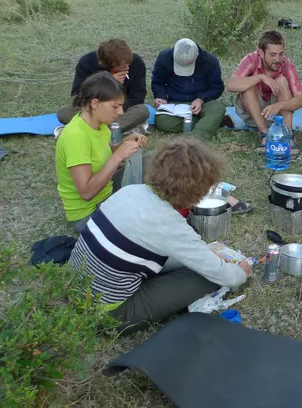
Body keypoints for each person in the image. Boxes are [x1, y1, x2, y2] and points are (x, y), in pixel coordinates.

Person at [68, 138, 251, 334]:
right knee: (207, 277)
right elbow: (225, 277)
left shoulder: (129, 192)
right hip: (108, 316)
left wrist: (203, 256)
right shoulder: (171, 225)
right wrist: (240, 272)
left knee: (193, 264)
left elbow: (149, 250)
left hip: (72, 288)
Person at [55, 73, 147, 233]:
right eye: (115, 106)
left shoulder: (99, 123)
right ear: (95, 104)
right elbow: (86, 192)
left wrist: (126, 144)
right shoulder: (76, 137)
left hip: (107, 193)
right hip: (88, 213)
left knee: (153, 162)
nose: (121, 112)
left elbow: (105, 153)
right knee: (144, 223)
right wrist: (118, 156)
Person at [225, 30, 302, 156]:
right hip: (253, 116)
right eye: (273, 55)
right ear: (261, 53)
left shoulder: (286, 64)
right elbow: (230, 85)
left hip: (278, 115)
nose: (278, 59)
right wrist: (260, 77)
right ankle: (264, 134)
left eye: (280, 54)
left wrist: (280, 105)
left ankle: (287, 134)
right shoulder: (251, 59)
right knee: (247, 86)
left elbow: (301, 100)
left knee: (281, 81)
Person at [55, 39, 149, 137]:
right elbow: (78, 96)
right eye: (122, 66)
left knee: (142, 111)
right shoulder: (87, 62)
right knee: (64, 113)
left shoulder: (137, 63)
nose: (127, 68)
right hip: (93, 109)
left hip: (120, 110)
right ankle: (116, 129)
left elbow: (138, 97)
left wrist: (114, 108)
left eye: (128, 64)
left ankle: (87, 130)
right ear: (106, 64)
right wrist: (108, 83)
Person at [151, 38, 226, 140]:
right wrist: (160, 96)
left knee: (218, 108)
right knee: (162, 121)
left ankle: (194, 139)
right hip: (175, 104)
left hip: (203, 103)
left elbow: (217, 88)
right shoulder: (164, 58)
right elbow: (157, 81)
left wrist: (201, 99)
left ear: (196, 57)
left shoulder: (209, 61)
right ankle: (209, 122)